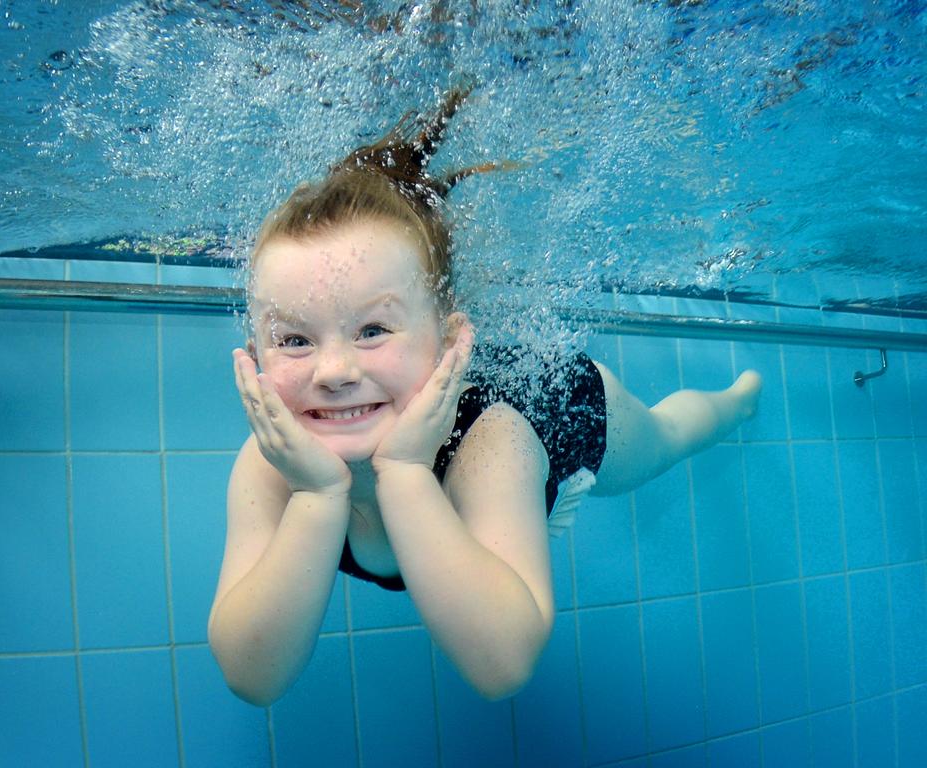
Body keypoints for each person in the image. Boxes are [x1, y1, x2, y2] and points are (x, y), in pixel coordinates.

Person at [207, 84, 762, 706]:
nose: (333, 370)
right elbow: (252, 678)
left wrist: (405, 471)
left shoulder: (492, 443)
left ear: (447, 344)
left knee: (666, 439)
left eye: (372, 330)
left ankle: (739, 398)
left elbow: (505, 665)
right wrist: (317, 494)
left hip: (552, 410)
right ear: (253, 358)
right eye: (294, 340)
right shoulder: (273, 468)